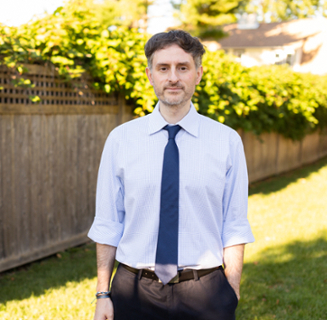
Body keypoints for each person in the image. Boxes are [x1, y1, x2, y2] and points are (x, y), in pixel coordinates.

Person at [87, 30, 255, 320]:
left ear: (198, 74)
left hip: (206, 291)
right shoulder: (121, 140)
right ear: (150, 75)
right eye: (163, 68)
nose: (173, 77)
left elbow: (235, 222)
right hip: (134, 291)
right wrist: (103, 293)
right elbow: (108, 222)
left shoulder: (226, 141)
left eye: (183, 67)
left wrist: (232, 287)